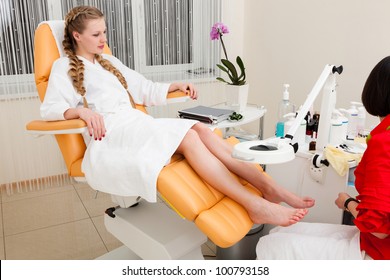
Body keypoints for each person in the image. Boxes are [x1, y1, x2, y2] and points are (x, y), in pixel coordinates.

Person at [40, 5, 314, 227]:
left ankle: (268, 186)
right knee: (190, 138)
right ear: (77, 36)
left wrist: (174, 86)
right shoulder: (63, 67)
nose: (104, 40)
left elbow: (142, 88)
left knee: (200, 129)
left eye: (104, 32)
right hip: (112, 136)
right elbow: (51, 108)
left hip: (135, 125)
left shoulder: (108, 62)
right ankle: (253, 204)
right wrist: (81, 110)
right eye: (96, 34)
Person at [257, 56, 390, 260]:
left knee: (269, 243)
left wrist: (347, 202)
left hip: (378, 251)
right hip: (373, 239)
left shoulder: (384, 142)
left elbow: (379, 228)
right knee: (279, 232)